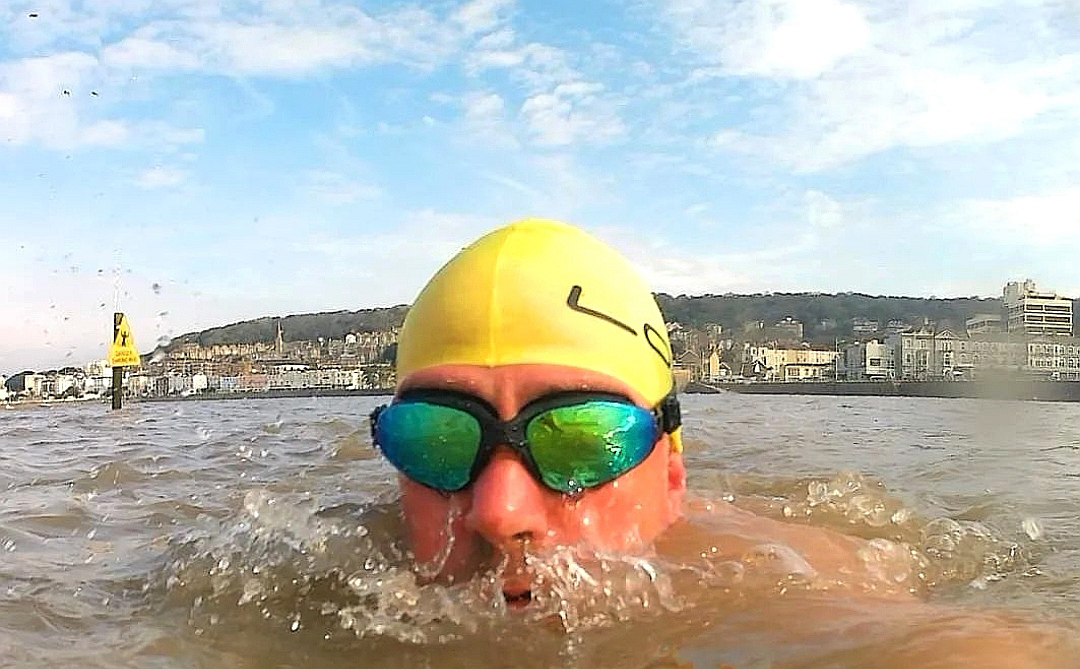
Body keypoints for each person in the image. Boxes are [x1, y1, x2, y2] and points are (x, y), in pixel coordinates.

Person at [369, 218, 1078, 666]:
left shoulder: (773, 580)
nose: (498, 508)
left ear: (670, 468)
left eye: (581, 438)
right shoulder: (342, 569)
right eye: (436, 438)